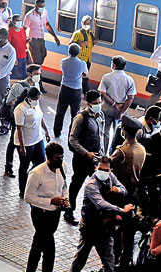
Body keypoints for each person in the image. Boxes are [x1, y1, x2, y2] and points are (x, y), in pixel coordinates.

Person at [69, 156, 132, 272]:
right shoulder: (91, 184)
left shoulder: (110, 177)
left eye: (106, 170)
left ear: (110, 170)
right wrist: (122, 210)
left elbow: (123, 189)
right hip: (90, 226)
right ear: (96, 168)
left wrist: (118, 190)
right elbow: (100, 204)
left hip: (104, 227)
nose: (103, 172)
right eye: (100, 169)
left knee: (109, 263)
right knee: (80, 259)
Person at [24, 142, 70, 272]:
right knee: (49, 247)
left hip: (54, 214)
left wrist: (65, 198)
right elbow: (28, 197)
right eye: (57, 158)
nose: (60, 160)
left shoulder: (62, 167)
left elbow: (64, 185)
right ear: (48, 157)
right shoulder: (36, 173)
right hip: (40, 214)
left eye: (61, 157)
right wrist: (51, 201)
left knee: (38, 245)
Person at [109, 117, 145, 269]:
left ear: (124, 131)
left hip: (120, 195)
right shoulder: (141, 149)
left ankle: (115, 259)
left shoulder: (122, 151)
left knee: (116, 230)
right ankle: (125, 260)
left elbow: (109, 165)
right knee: (129, 230)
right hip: (134, 194)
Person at [66, 90, 105, 225]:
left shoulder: (100, 116)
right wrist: (85, 153)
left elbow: (101, 136)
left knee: (96, 186)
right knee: (76, 184)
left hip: (96, 159)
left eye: (100, 102)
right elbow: (73, 139)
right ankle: (69, 211)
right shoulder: (81, 118)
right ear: (88, 104)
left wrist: (102, 154)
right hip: (82, 159)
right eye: (95, 103)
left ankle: (91, 213)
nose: (98, 105)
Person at [16, 87, 52, 196]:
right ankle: (23, 189)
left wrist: (46, 130)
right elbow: (19, 129)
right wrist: (22, 147)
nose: (37, 100)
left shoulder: (36, 104)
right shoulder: (20, 109)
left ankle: (31, 179)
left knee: (41, 161)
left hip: (37, 138)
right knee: (24, 165)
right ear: (29, 98)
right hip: (26, 142)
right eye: (35, 98)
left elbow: (40, 117)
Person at [98, 56, 135, 151]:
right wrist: (122, 112)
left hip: (107, 108)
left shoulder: (106, 77)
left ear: (113, 65)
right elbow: (131, 98)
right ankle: (114, 152)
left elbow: (103, 93)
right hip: (123, 108)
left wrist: (114, 104)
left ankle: (104, 151)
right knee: (118, 133)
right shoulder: (129, 80)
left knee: (105, 132)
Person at [23, 0, 61, 92]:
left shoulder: (44, 12)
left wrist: (55, 36)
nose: (42, 8)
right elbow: (24, 29)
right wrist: (24, 42)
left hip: (41, 39)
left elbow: (47, 24)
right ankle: (38, 85)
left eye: (43, 6)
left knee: (43, 55)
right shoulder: (30, 15)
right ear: (35, 6)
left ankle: (33, 76)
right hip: (33, 40)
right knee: (37, 64)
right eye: (40, 7)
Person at [53, 43, 88, 138]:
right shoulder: (82, 63)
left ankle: (57, 131)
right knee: (75, 113)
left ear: (69, 51)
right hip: (76, 90)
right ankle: (71, 134)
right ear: (79, 53)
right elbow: (85, 74)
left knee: (60, 111)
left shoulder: (63, 61)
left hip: (64, 88)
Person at [69, 15, 97, 95]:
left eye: (88, 23)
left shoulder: (90, 33)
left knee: (85, 76)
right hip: (79, 58)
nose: (87, 25)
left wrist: (94, 42)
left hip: (88, 59)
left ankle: (84, 92)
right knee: (77, 76)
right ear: (82, 23)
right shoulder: (77, 33)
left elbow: (90, 45)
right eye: (85, 23)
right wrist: (80, 43)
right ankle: (84, 92)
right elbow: (71, 44)